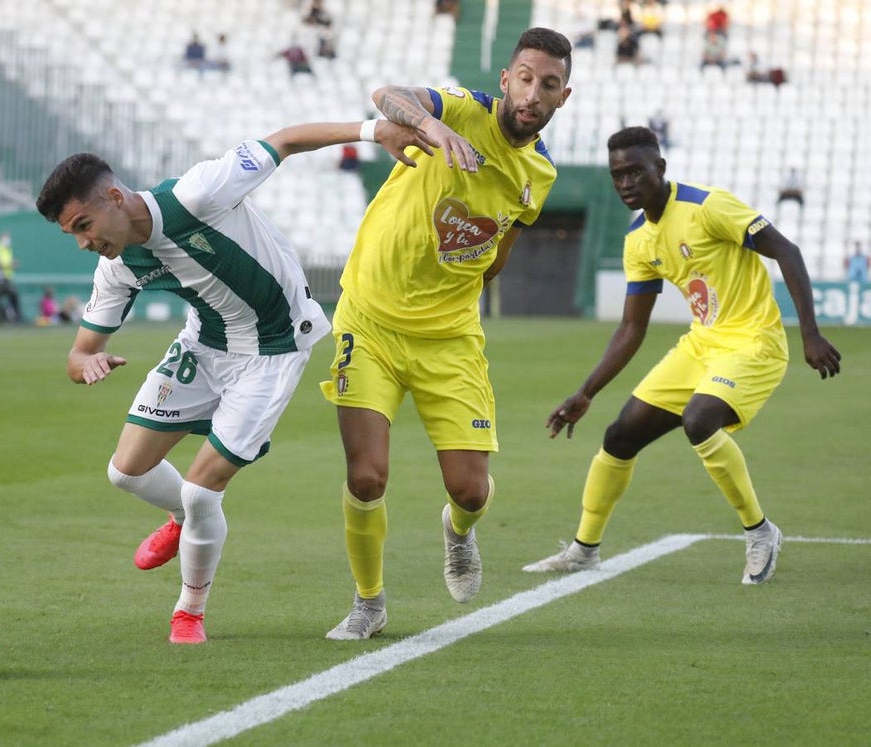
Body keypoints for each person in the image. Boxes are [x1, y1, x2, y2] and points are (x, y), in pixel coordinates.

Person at [34, 119, 432, 644]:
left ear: (113, 196)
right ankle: (181, 520)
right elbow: (80, 351)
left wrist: (372, 129)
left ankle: (189, 611)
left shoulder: (200, 192)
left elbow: (285, 141)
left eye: (84, 224)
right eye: (73, 234)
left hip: (274, 347)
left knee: (203, 490)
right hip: (205, 345)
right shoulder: (117, 266)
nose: (84, 242)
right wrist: (84, 363)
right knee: (125, 472)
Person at [319, 27, 574, 640]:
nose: (533, 92)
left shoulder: (539, 174)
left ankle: (458, 533)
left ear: (564, 96)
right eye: (526, 76)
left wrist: (456, 274)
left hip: (450, 338)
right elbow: (388, 95)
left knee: (470, 488)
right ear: (507, 77)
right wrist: (432, 127)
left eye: (550, 84)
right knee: (366, 476)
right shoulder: (462, 108)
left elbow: (501, 247)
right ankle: (369, 602)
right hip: (370, 321)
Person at [525, 126, 841, 585]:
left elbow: (786, 251)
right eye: (617, 175)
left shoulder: (707, 206)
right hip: (702, 344)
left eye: (635, 170)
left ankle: (760, 532)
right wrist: (586, 392)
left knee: (699, 420)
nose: (626, 182)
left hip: (754, 342)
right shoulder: (638, 240)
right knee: (619, 437)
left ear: (660, 168)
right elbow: (632, 327)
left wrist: (810, 334)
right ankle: (583, 550)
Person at [0, 232, 23, 323]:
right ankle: (2, 318)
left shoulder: (8, 249)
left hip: (6, 279)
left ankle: (17, 317)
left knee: (14, 296)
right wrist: (8, 265)